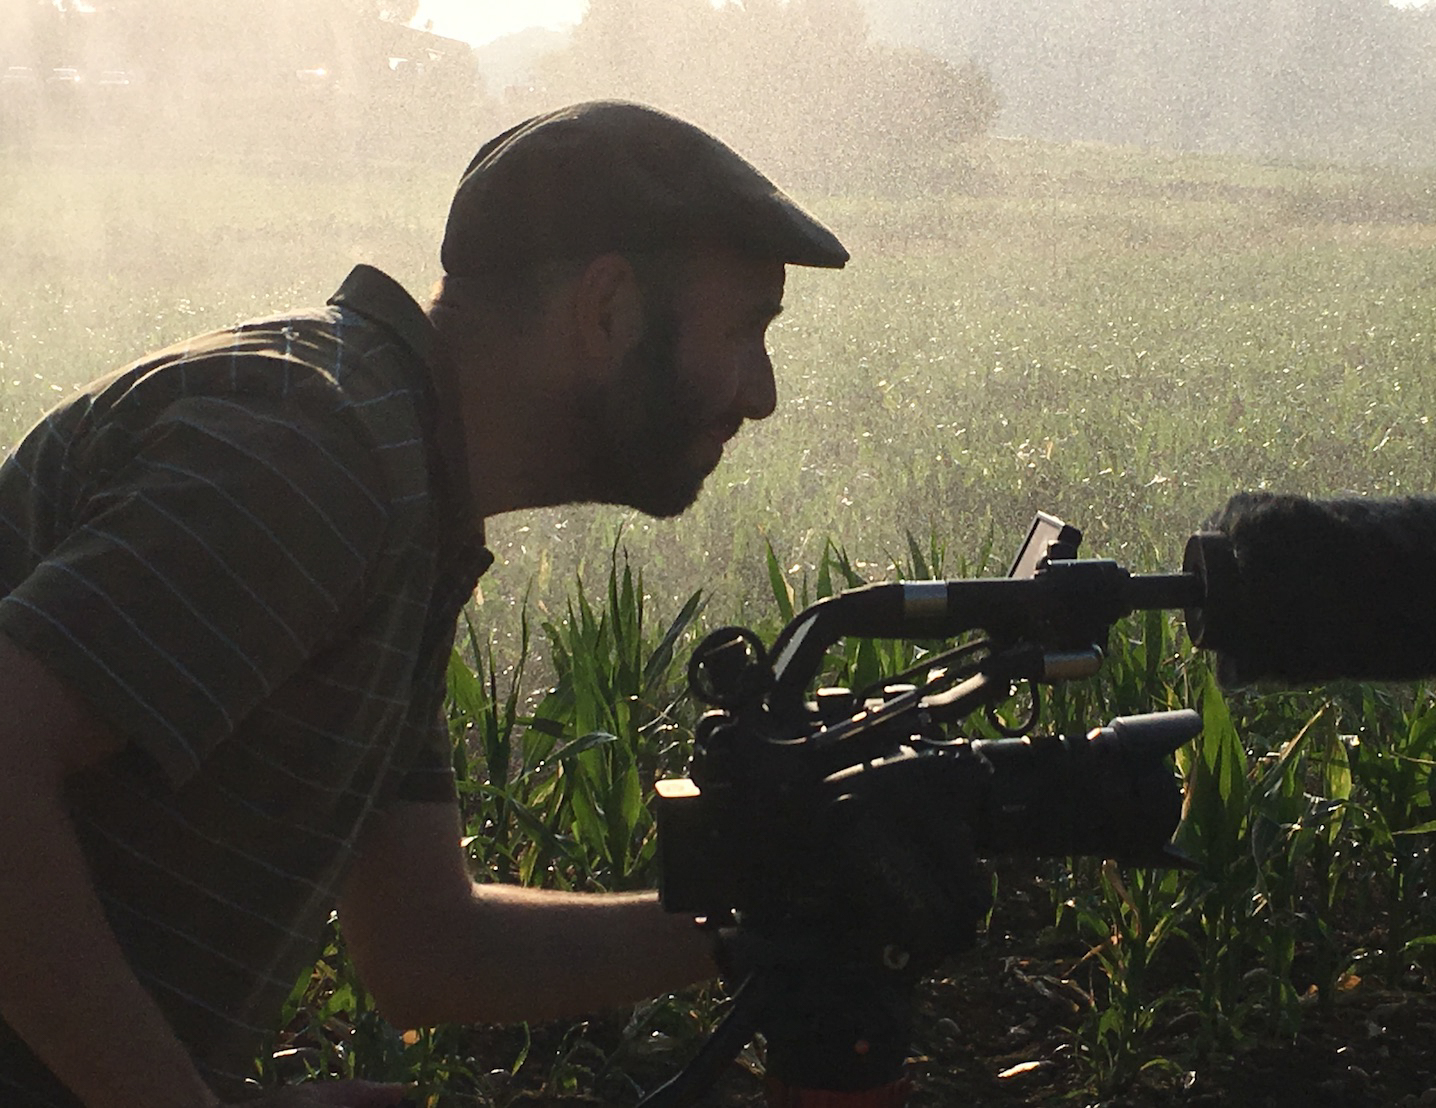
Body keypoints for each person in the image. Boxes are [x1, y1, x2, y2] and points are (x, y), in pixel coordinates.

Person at [0, 100, 849, 1108]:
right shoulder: (318, 450)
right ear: (607, 309)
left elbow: (424, 945)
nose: (762, 394)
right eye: (745, 329)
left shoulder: (403, 493)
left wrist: (771, 917)